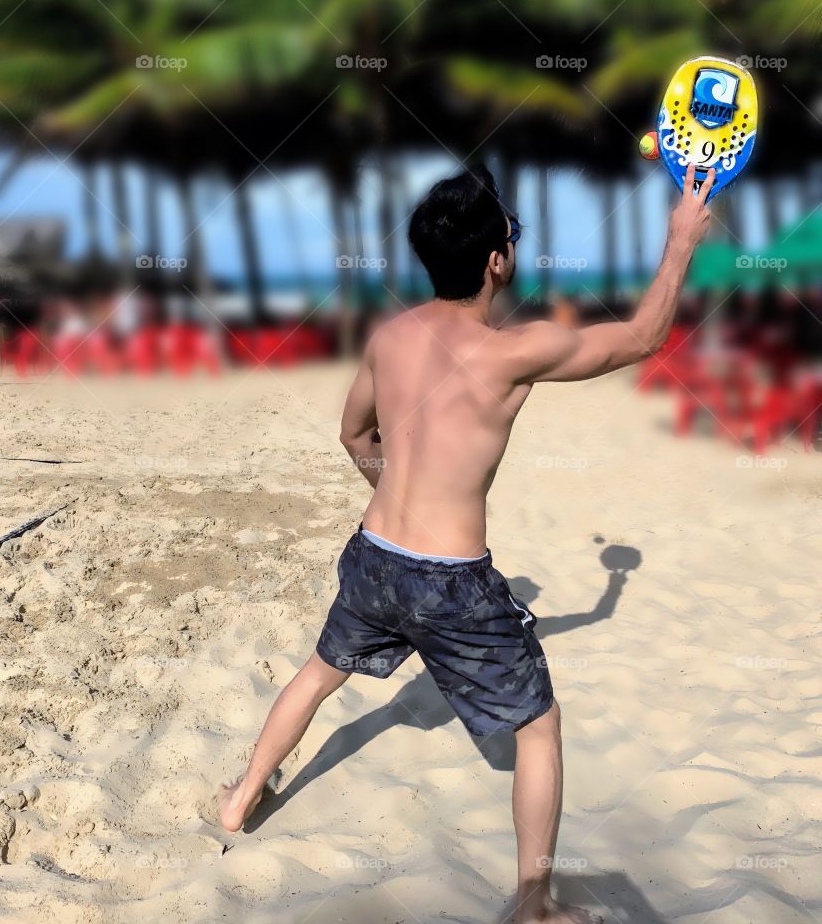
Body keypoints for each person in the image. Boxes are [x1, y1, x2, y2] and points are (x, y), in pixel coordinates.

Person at [219, 162, 715, 924]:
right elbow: (644, 337)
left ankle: (243, 793)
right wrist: (680, 238)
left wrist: (399, 496)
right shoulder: (512, 352)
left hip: (374, 555)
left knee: (321, 673)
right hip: (452, 581)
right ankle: (533, 903)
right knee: (540, 727)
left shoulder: (389, 336)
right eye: (510, 235)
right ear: (496, 260)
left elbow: (354, 433)